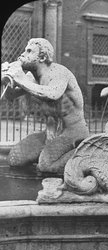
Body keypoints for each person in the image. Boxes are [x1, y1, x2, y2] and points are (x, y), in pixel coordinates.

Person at [1, 38, 89, 173]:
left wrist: (20, 79)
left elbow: (52, 94)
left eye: (29, 51)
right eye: (25, 50)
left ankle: (85, 155)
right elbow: (10, 96)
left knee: (46, 166)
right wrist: (6, 79)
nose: (23, 54)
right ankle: (50, 154)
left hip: (73, 132)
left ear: (42, 57)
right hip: (50, 132)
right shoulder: (31, 77)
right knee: (14, 159)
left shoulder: (59, 72)